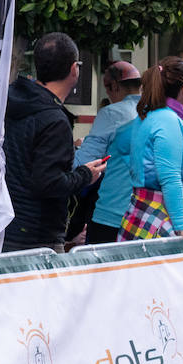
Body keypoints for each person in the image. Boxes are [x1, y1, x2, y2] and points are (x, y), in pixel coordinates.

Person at [1, 33, 107, 252]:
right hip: (37, 236)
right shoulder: (53, 120)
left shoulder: (11, 99)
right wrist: (86, 175)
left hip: (6, 224)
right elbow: (48, 182)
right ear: (73, 69)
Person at [120, 56, 183, 244]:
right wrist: (182, 226)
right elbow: (169, 177)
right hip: (162, 214)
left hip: (147, 209)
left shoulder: (146, 116)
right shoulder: (166, 119)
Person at [78, 61, 143, 243]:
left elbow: (86, 159)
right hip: (146, 215)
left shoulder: (111, 113)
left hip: (112, 212)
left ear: (114, 86)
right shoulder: (156, 114)